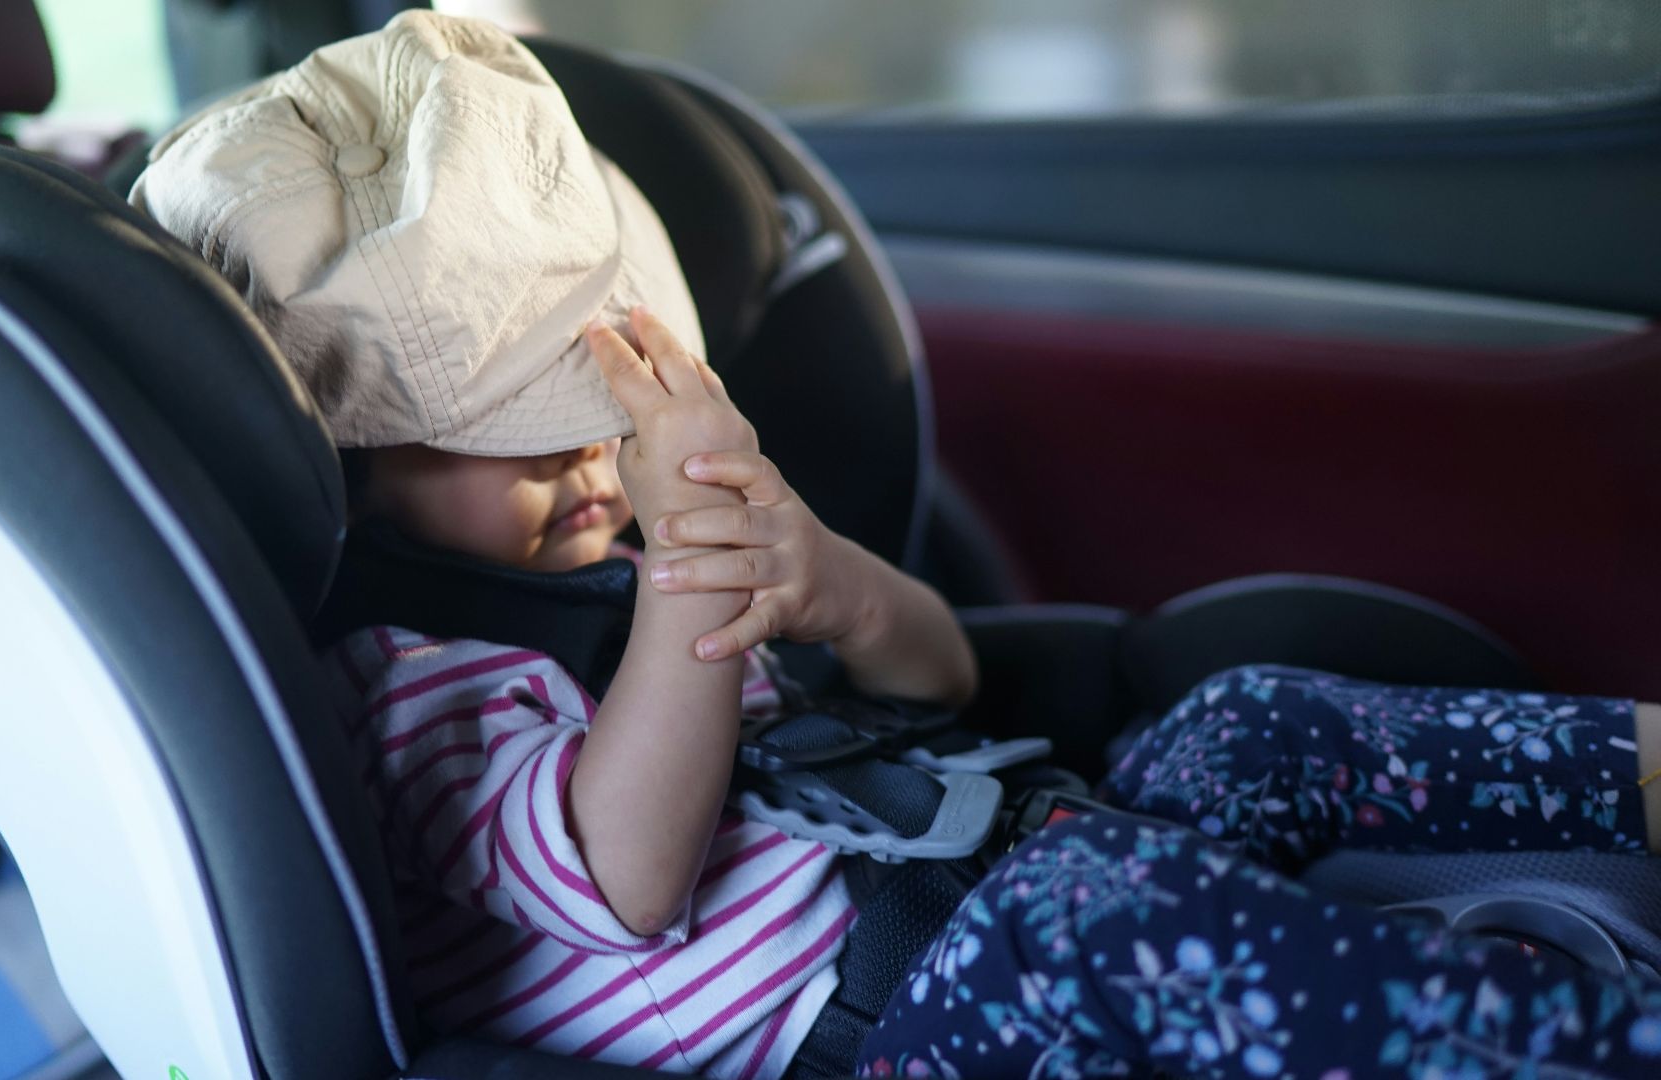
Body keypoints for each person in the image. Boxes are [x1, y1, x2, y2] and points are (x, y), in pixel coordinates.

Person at [132, 12, 1661, 1078]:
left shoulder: (629, 562)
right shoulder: (403, 694)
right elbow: (625, 881)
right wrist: (694, 585)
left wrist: (832, 586)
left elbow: (938, 688)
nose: (595, 465)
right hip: (883, 1027)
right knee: (1093, 926)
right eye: (525, 447)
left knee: (1234, 721)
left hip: (1002, 857)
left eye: (601, 421)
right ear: (343, 472)